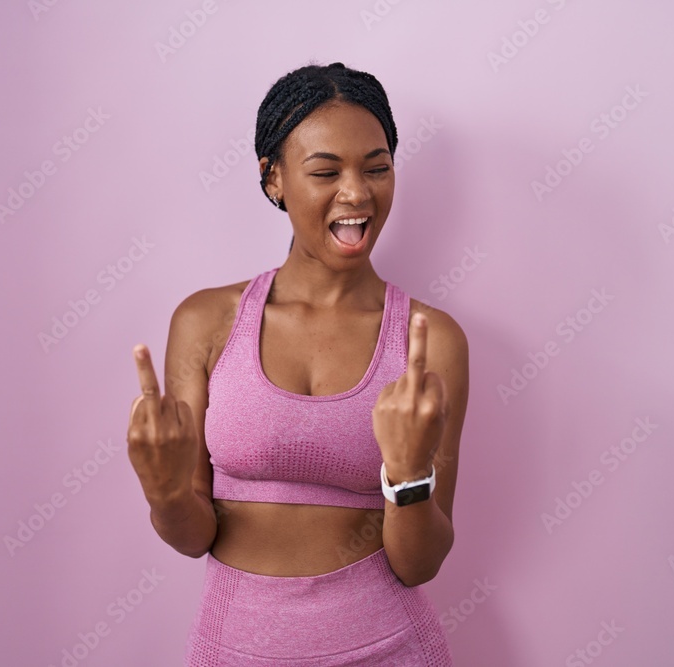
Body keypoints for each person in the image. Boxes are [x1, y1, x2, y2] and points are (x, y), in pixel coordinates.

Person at [126, 62, 469, 666]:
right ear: (274, 179)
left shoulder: (429, 342)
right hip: (234, 649)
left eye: (377, 167)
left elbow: (419, 564)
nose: (357, 192)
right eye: (325, 171)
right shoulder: (206, 322)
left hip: (392, 647)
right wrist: (164, 491)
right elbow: (193, 536)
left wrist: (410, 473)